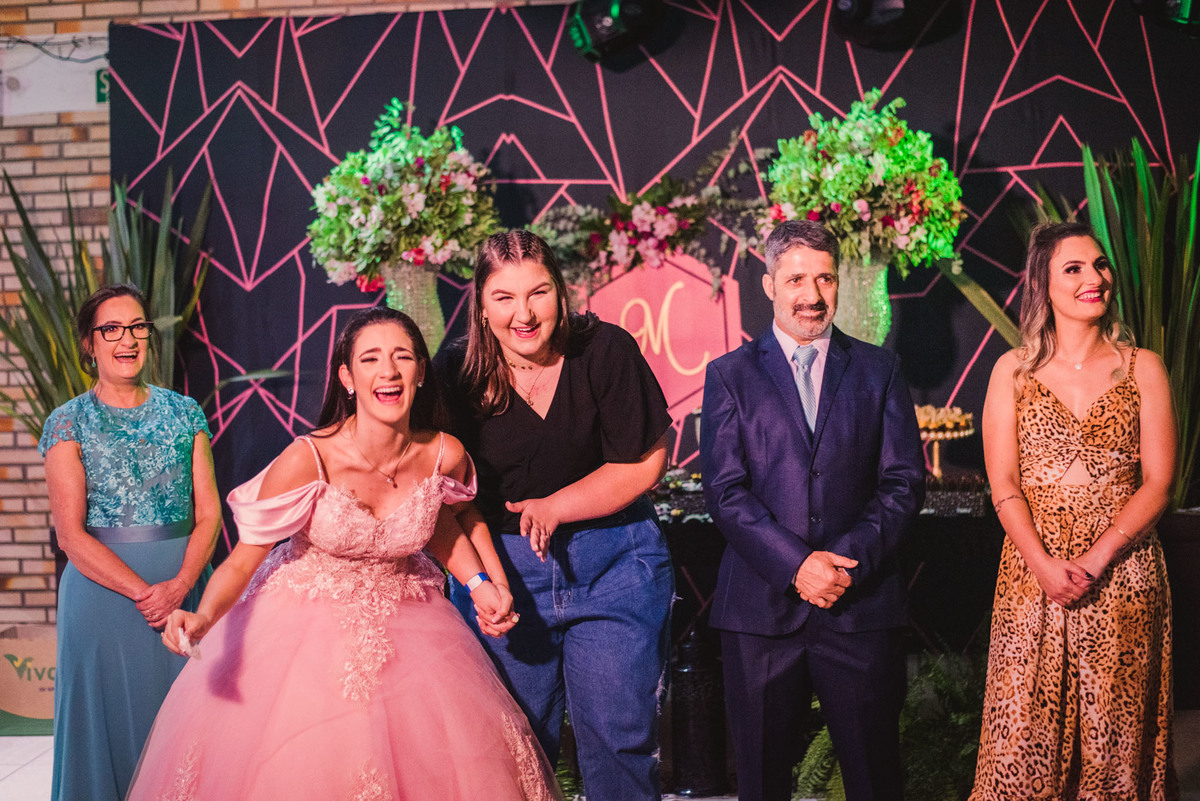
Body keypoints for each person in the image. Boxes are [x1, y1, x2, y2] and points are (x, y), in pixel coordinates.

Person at [126, 307, 562, 801]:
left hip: (415, 632)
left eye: (402, 357)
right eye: (370, 359)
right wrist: (204, 617)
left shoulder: (444, 453)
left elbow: (448, 520)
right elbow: (244, 559)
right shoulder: (308, 458)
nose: (388, 371)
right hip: (301, 635)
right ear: (347, 378)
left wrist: (484, 584)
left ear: (421, 372)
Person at [435, 230, 674, 801]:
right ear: (481, 304)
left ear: (560, 292)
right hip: (506, 575)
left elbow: (647, 461)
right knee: (514, 751)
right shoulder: (456, 373)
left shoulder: (605, 349)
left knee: (620, 744)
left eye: (538, 293)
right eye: (504, 297)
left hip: (615, 564)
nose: (524, 314)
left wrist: (556, 507)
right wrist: (484, 582)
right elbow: (445, 499)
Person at [700, 219, 925, 801]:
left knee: (876, 781)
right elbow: (725, 491)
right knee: (762, 783)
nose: (813, 295)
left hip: (860, 607)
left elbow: (903, 482)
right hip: (760, 614)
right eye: (796, 279)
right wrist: (798, 566)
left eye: (825, 278)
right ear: (770, 284)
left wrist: (842, 562)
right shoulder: (729, 376)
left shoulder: (880, 370)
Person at [970, 221, 1177, 800]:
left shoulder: (1144, 367)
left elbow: (1159, 483)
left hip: (1123, 576)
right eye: (1075, 268)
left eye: (1100, 264)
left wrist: (1096, 558)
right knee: (1020, 744)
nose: (1095, 278)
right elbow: (1003, 483)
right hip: (1031, 576)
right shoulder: (1012, 371)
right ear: (1043, 283)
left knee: (1114, 747)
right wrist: (1042, 565)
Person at [38, 284, 220, 801]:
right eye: (112, 329)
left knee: (189, 727)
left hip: (185, 595)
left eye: (138, 326)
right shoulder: (67, 422)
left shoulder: (185, 412)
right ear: (90, 344)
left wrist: (179, 586)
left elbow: (209, 515)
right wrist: (146, 594)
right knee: (107, 732)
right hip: (103, 601)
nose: (128, 339)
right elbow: (70, 536)